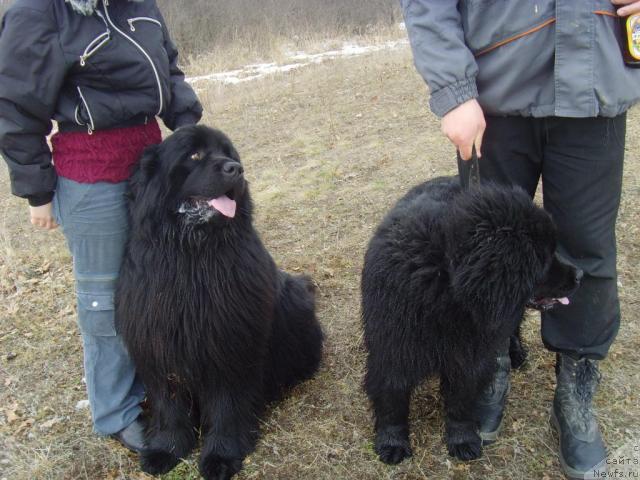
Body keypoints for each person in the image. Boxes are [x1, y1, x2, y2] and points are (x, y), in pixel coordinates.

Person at [401, 0, 640, 478]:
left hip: (595, 89)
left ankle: (575, 392)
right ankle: (489, 368)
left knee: (588, 254)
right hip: (496, 92)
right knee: (487, 253)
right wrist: (452, 90)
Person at [0, 0, 202, 452]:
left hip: (152, 166)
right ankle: (115, 409)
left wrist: (185, 125)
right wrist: (37, 191)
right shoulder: (38, 14)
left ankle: (160, 384)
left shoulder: (139, 5)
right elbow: (15, 106)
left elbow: (167, 67)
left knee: (158, 284)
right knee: (105, 300)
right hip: (91, 171)